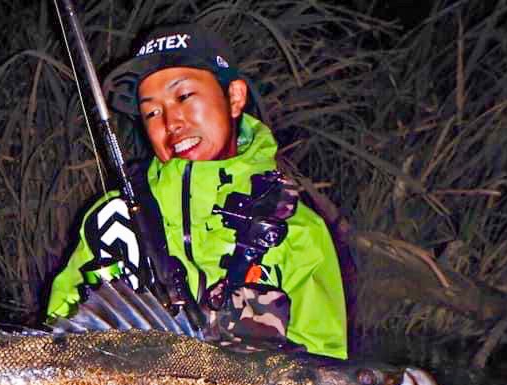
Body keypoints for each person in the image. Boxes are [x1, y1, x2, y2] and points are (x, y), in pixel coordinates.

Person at [45, 23, 348, 359]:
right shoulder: (111, 218)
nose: (171, 122)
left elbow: (322, 367)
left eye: (185, 96)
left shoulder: (295, 229)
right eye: (151, 112)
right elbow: (57, 337)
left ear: (234, 97)